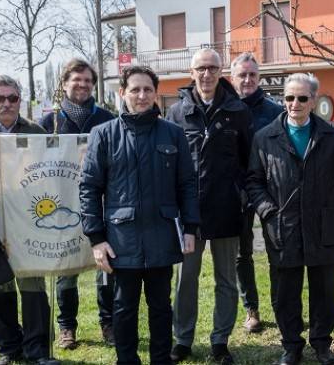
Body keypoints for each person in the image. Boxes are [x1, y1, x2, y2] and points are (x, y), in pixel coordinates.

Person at [247, 73, 334, 365]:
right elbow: (253, 181)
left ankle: (322, 344)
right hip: (282, 226)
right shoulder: (265, 137)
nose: (294, 103)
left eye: (301, 98)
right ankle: (291, 346)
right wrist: (268, 211)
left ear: (313, 100)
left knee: (324, 290)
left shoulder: (331, 134)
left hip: (323, 224)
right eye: (288, 98)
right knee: (285, 292)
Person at [80, 66, 199, 364]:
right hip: (122, 239)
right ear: (122, 93)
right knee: (123, 307)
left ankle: (161, 360)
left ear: (156, 93)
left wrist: (190, 227)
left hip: (162, 235)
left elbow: (187, 184)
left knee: (161, 307)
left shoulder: (173, 134)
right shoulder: (103, 135)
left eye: (147, 89)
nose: (141, 95)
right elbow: (89, 188)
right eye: (135, 89)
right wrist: (96, 239)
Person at [167, 48, 253, 364]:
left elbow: (249, 161)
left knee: (226, 279)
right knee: (185, 279)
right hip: (189, 213)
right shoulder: (176, 113)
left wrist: (240, 194)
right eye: (201, 68)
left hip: (227, 209)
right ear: (192, 72)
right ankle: (183, 339)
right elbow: (171, 163)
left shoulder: (238, 111)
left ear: (221, 72)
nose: (207, 74)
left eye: (213, 68)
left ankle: (220, 341)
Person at [0, 75, 60, 365]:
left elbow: (51, 175)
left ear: (20, 100)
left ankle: (37, 349)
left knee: (33, 288)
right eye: (0, 98)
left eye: (13, 98)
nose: (7, 104)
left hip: (29, 225)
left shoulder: (35, 132)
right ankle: (9, 347)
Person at [39, 58, 116, 348]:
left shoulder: (107, 119)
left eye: (87, 80)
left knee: (104, 268)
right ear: (64, 83)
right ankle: (66, 327)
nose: (82, 85)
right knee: (66, 270)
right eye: (76, 80)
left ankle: (108, 324)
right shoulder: (50, 122)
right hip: (62, 207)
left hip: (102, 203)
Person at [229, 52, 283, 333]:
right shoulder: (224, 108)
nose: (247, 79)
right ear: (232, 77)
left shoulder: (274, 111)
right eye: (242, 75)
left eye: (252, 74)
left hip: (268, 190)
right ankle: (251, 309)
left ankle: (281, 306)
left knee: (277, 249)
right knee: (242, 254)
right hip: (236, 191)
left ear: (258, 77)